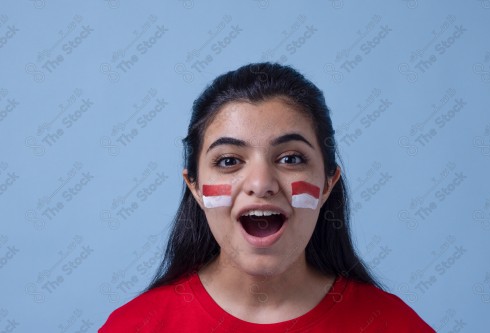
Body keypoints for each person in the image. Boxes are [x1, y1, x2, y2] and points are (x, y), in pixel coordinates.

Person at [99, 63, 435, 332]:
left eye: (291, 158)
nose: (261, 184)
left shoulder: (394, 324)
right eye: (229, 161)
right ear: (196, 188)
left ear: (328, 184)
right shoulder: (134, 326)